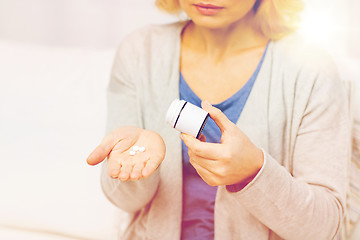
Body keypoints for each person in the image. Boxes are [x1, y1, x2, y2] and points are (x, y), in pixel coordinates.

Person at [87, 0, 351, 239]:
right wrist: (139, 169)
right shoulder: (140, 51)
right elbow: (122, 199)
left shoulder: (311, 69)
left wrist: (253, 173)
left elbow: (324, 228)